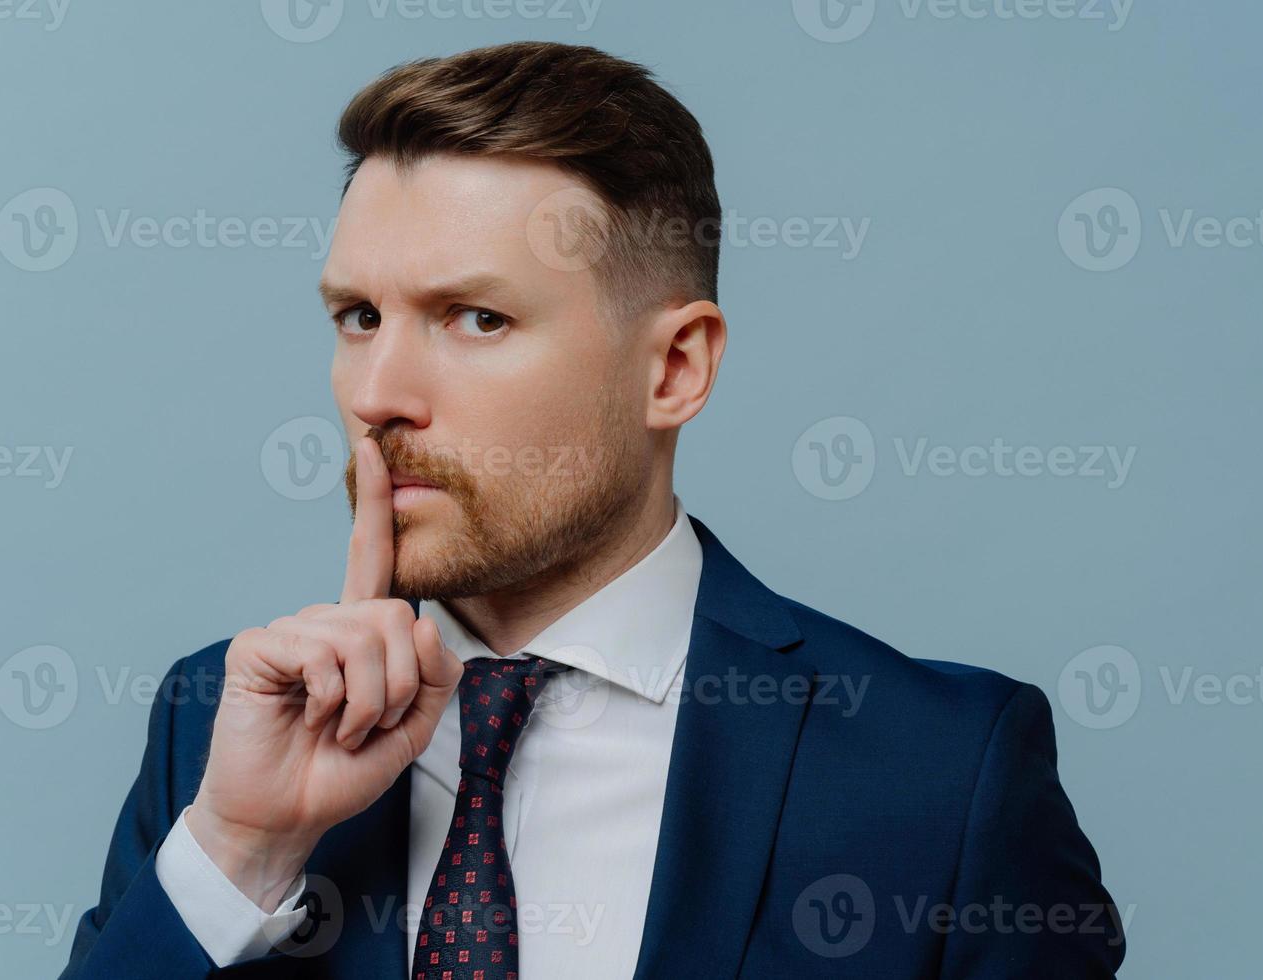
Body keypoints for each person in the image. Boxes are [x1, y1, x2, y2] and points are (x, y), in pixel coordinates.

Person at [59, 40, 1126, 979]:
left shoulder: (940, 772)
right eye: (357, 314)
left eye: (476, 316)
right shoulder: (217, 726)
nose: (377, 392)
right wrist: (238, 850)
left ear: (673, 367)